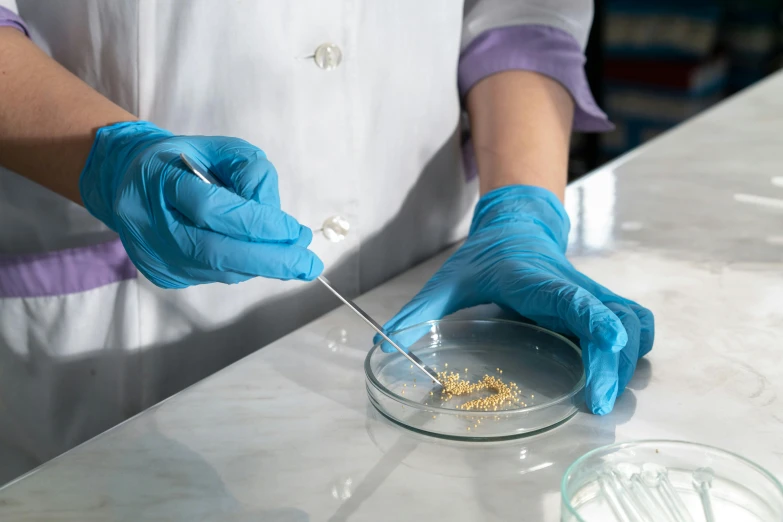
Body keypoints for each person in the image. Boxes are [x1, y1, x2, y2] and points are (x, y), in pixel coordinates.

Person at [0, 0, 654, 484]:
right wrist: (109, 162)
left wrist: (523, 205)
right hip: (118, 345)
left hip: (417, 251)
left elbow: (522, 11)